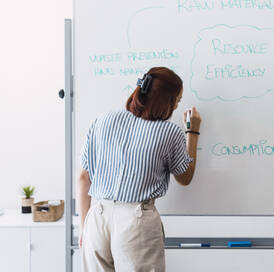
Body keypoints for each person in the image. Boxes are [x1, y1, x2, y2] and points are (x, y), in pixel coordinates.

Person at [77, 67, 201, 272]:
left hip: (97, 217)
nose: (177, 106)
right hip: (136, 222)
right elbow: (185, 177)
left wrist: (84, 228)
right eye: (177, 101)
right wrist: (193, 132)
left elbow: (84, 177)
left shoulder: (103, 120)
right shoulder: (168, 132)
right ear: (166, 102)